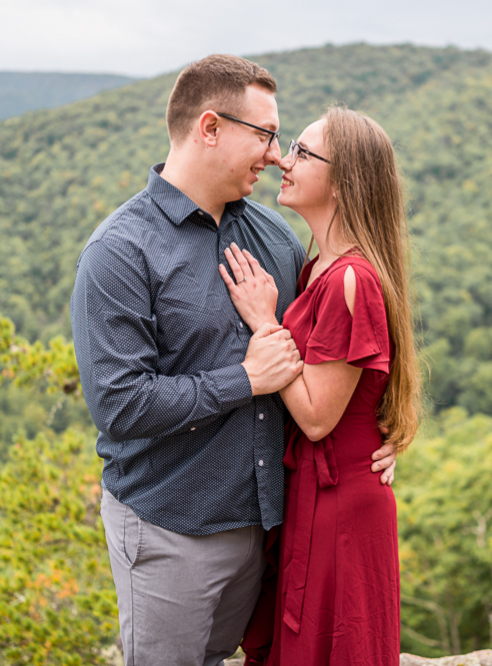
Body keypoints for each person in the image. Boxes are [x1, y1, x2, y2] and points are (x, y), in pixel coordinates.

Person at [70, 55, 397, 666]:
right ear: (211, 127)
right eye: (267, 135)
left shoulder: (275, 239)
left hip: (271, 529)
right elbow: (119, 404)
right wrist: (244, 379)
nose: (276, 155)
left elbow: (335, 352)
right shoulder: (119, 251)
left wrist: (377, 433)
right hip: (172, 527)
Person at [221, 107, 421, 665]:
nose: (285, 160)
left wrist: (265, 323)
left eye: (304, 154)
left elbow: (315, 416)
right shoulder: (319, 269)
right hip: (319, 493)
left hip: (341, 509)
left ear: (345, 180)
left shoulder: (350, 280)